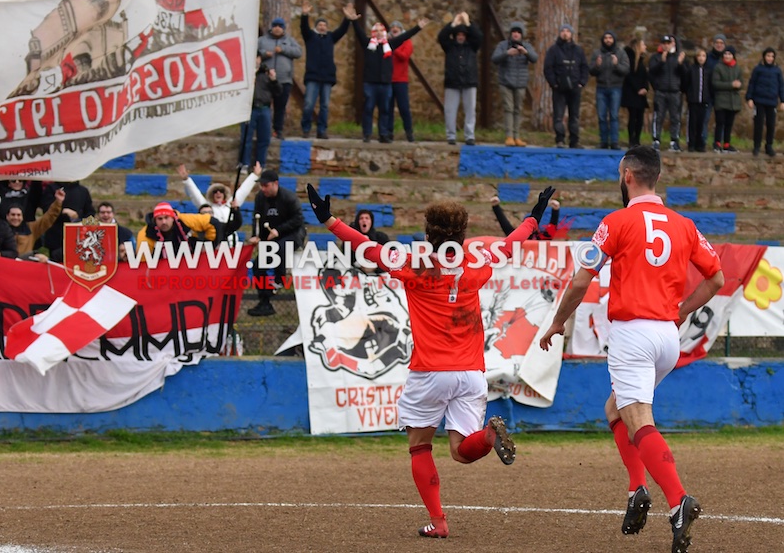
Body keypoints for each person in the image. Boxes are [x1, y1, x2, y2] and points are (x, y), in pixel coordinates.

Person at [307, 182, 558, 539]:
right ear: (463, 234)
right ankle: (488, 435)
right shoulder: (477, 262)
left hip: (429, 372)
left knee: (419, 447)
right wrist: (534, 216)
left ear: (428, 234)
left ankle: (439, 521)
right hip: (471, 372)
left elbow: (366, 247)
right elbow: (511, 243)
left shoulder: (413, 265)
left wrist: (328, 220)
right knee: (461, 451)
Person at [538, 145, 724, 553]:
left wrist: (557, 322)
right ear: (657, 177)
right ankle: (637, 489)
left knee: (639, 420)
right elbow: (717, 279)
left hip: (632, 334)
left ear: (627, 176)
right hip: (667, 338)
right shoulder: (685, 225)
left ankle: (678, 501)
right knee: (615, 409)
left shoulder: (616, 221)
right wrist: (681, 311)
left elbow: (582, 280)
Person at [345, 3, 427, 143]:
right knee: (368, 108)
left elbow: (405, 36)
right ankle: (367, 134)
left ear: (384, 33)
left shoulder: (390, 45)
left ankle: (383, 134)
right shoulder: (368, 44)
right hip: (370, 82)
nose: (378, 33)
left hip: (385, 83)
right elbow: (359, 33)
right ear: (373, 33)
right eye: (376, 30)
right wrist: (353, 21)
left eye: (381, 30)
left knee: (385, 110)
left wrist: (418, 27)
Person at [248, 169, 306, 317]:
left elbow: (298, 219)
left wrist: (279, 231)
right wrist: (256, 235)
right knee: (258, 266)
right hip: (272, 236)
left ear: (275, 184)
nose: (263, 189)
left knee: (280, 248)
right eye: (261, 185)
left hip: (292, 234)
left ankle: (279, 280)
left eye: (266, 185)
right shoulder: (260, 198)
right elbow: (257, 218)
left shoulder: (289, 198)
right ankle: (264, 301)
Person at [299, 1, 351, 139]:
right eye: (320, 25)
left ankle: (322, 130)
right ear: (316, 27)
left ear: (327, 28)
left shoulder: (330, 38)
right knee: (309, 104)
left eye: (324, 25)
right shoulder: (310, 37)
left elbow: (342, 31)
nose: (322, 27)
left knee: (325, 106)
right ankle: (306, 128)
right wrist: (304, 15)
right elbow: (304, 28)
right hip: (312, 76)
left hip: (327, 77)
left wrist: (347, 18)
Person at [179, 161, 260, 243]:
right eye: (215, 191)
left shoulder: (230, 204)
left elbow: (243, 191)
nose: (218, 193)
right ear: (211, 195)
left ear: (224, 194)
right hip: (214, 241)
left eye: (221, 191)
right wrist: (186, 180)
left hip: (231, 242)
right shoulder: (207, 207)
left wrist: (254, 175)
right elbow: (195, 195)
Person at [438, 12, 483, 146]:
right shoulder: (449, 46)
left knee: (470, 110)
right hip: (452, 82)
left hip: (469, 82)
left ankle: (469, 135)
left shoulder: (472, 46)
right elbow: (441, 36)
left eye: (463, 35)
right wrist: (453, 23)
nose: (461, 37)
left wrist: (468, 23)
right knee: (450, 111)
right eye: (458, 34)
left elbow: (479, 36)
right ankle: (451, 136)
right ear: (455, 36)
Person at [490, 21, 538, 147]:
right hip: (506, 82)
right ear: (510, 34)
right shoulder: (503, 45)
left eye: (518, 32)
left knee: (518, 109)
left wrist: (525, 52)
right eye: (514, 32)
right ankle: (509, 136)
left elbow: (534, 58)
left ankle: (517, 136)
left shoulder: (526, 46)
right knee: (508, 108)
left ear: (522, 35)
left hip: (520, 83)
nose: (516, 34)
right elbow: (494, 59)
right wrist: (507, 53)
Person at [543, 23, 589, 149]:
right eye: (563, 31)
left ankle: (574, 141)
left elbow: (584, 67)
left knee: (574, 116)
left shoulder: (578, 50)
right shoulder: (553, 50)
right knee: (558, 116)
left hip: (575, 88)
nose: (565, 33)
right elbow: (548, 68)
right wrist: (554, 83)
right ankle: (560, 140)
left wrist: (582, 82)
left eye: (567, 31)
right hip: (559, 88)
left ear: (571, 34)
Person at [257, 17, 303, 139]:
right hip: (265, 80)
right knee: (263, 106)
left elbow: (298, 52)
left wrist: (283, 49)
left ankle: (278, 130)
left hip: (284, 80)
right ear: (271, 27)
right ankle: (263, 130)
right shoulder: (262, 40)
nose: (277, 28)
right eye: (275, 26)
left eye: (280, 26)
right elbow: (254, 51)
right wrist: (264, 54)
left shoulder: (290, 40)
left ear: (283, 29)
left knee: (280, 107)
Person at [590, 30, 630, 149]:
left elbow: (626, 70)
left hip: (615, 88)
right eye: (606, 38)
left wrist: (616, 65)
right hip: (601, 88)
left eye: (610, 38)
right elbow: (591, 71)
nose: (608, 40)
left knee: (614, 115)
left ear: (614, 40)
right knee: (602, 116)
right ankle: (603, 141)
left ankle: (614, 141)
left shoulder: (620, 53)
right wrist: (597, 65)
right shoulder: (597, 53)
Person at [240, 56, 282, 167]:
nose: (256, 61)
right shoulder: (245, 74)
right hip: (250, 109)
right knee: (246, 138)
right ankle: (244, 164)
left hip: (264, 108)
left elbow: (278, 92)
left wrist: (274, 80)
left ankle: (260, 165)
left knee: (264, 139)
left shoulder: (265, 75)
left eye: (257, 58)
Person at [39, 181, 95, 262]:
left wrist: (77, 216)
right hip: (56, 237)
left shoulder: (83, 191)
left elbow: (90, 213)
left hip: (77, 238)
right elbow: (46, 209)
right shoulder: (52, 188)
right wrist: (62, 211)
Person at [648, 35, 686, 152]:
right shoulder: (656, 57)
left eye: (668, 43)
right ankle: (656, 140)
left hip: (674, 92)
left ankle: (674, 141)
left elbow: (685, 75)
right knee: (658, 116)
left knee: (675, 117)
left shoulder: (678, 57)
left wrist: (680, 64)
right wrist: (661, 62)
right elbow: (652, 72)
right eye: (664, 43)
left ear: (672, 44)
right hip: (661, 92)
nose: (666, 45)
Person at [135, 201, 219, 254]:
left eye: (166, 218)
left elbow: (214, 223)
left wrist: (209, 245)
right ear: (155, 220)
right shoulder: (145, 234)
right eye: (160, 219)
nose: (164, 222)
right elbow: (143, 264)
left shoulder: (186, 220)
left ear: (173, 218)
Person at [745, 47, 784, 157]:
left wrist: (782, 100)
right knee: (758, 124)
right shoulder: (758, 69)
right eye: (768, 56)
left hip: (772, 102)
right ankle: (756, 146)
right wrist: (749, 98)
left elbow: (781, 86)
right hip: (759, 101)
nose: (770, 58)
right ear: (764, 57)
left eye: (772, 56)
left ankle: (769, 146)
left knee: (771, 124)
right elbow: (752, 83)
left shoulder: (777, 71)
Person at [6, 187, 64, 260]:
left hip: (26, 263)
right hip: (6, 263)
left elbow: (48, 218)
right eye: (13, 215)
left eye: (18, 215)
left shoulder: (31, 228)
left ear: (22, 217)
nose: (16, 217)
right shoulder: (2, 228)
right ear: (7, 216)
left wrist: (58, 202)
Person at [711, 45, 742, 153]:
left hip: (733, 101)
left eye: (729, 54)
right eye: (725, 54)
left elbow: (741, 83)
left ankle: (727, 144)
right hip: (721, 100)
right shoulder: (718, 67)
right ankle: (717, 143)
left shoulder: (737, 68)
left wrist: (739, 85)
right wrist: (731, 85)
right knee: (720, 122)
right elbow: (716, 83)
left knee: (729, 123)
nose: (727, 56)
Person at [387, 21, 415, 142]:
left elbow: (404, 56)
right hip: (388, 79)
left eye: (397, 27)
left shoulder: (406, 42)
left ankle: (409, 132)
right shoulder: (386, 42)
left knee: (404, 107)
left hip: (401, 80)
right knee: (388, 108)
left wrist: (393, 46)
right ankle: (388, 132)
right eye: (392, 27)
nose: (394, 29)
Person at [490, 196, 561, 240]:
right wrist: (495, 206)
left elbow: (552, 227)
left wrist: (555, 210)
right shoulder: (517, 238)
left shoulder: (542, 238)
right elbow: (505, 225)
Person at [622, 38, 650, 148]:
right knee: (633, 116)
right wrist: (638, 88)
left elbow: (645, 77)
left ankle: (637, 139)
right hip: (632, 93)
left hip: (641, 94)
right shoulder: (629, 59)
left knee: (640, 117)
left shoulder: (641, 60)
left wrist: (645, 88)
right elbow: (629, 76)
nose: (645, 47)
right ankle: (631, 139)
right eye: (643, 45)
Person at [683, 48, 712, 153]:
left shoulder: (708, 70)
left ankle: (700, 144)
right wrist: (689, 95)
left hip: (704, 101)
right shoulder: (691, 69)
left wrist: (708, 97)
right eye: (699, 56)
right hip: (693, 101)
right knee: (692, 123)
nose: (701, 58)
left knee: (701, 123)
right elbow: (686, 84)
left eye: (703, 56)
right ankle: (691, 143)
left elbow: (710, 85)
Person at [703, 34, 728, 145]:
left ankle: (718, 143)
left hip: (721, 95)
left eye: (721, 43)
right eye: (717, 43)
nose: (719, 45)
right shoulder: (707, 58)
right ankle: (702, 141)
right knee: (705, 119)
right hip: (708, 93)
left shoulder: (727, 58)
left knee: (721, 121)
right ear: (713, 44)